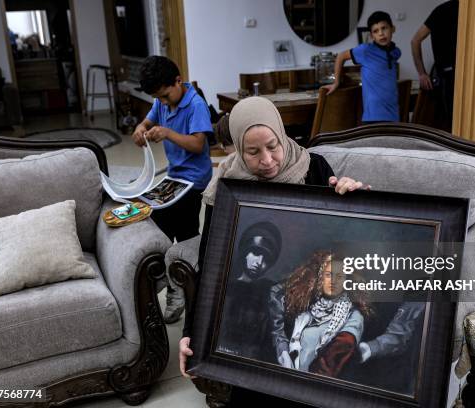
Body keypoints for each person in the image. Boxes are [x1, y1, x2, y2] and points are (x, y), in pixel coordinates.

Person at [178, 96, 367, 405]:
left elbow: (341, 236)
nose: (266, 160)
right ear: (238, 149)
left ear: (282, 135)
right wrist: (191, 331)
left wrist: (355, 197)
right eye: (252, 152)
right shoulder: (227, 187)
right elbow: (209, 265)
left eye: (273, 146)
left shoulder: (314, 168)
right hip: (254, 352)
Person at [132, 55, 213, 323]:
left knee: (180, 231)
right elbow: (148, 120)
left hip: (194, 180)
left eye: (166, 96)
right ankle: (179, 283)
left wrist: (166, 133)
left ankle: (181, 288)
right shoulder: (161, 100)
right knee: (171, 227)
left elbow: (198, 145)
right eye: (159, 99)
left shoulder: (196, 105)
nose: (163, 103)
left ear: (178, 81)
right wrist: (141, 128)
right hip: (174, 179)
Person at [269, 251, 371, 378]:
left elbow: (338, 353)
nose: (333, 281)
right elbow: (276, 292)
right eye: (328, 275)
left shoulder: (353, 316)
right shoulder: (308, 306)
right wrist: (283, 351)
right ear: (321, 278)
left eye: (339, 277)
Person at [216, 221, 283, 361]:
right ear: (245, 252)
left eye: (267, 258)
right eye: (256, 252)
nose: (259, 262)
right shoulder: (223, 287)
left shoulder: (272, 293)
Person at [325, 11, 401, 123]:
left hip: (393, 115)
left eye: (384, 28)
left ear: (393, 29)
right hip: (373, 116)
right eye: (376, 31)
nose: (381, 33)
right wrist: (336, 82)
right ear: (371, 36)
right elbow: (341, 56)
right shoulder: (365, 50)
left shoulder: (395, 52)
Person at [411, 0, 459, 131]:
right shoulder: (443, 10)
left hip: (459, 74)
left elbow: (415, 40)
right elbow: (415, 41)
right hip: (446, 76)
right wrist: (422, 73)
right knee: (450, 122)